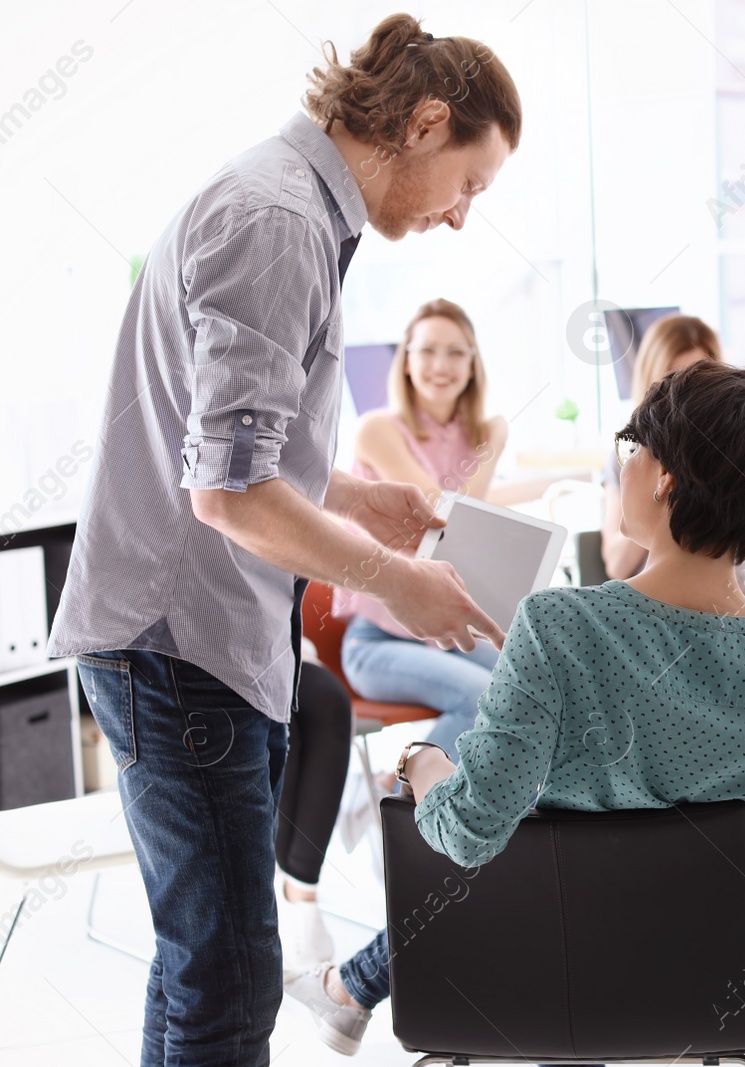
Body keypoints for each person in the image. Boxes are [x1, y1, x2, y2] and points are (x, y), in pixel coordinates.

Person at [46, 16, 518, 1064]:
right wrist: (401, 578)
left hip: (193, 640)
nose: (459, 218)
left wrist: (355, 497)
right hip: (179, 644)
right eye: (469, 183)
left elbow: (222, 448)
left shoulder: (289, 204)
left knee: (198, 965)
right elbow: (228, 496)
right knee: (232, 978)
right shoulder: (276, 221)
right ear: (426, 122)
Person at [286, 360, 745, 1056]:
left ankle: (347, 988)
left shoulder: (557, 626)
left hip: (537, 990)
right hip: (710, 997)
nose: (625, 466)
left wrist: (421, 761)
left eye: (632, 449)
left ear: (667, 477)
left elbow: (467, 830)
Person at [333, 298, 509, 760]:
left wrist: (488, 438)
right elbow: (448, 518)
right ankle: (407, 795)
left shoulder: (475, 433)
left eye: (456, 352)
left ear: (474, 364)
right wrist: (492, 442)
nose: (441, 364)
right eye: (427, 350)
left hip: (443, 634)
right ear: (406, 360)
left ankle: (482, 811)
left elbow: (478, 527)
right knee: (481, 698)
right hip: (376, 644)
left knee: (530, 687)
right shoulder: (377, 429)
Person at [599, 313, 745, 600]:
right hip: (658, 611)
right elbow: (617, 564)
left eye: (700, 378)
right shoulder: (629, 458)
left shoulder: (741, 451)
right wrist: (657, 497)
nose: (687, 395)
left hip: (738, 603)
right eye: (674, 379)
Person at [275, 662, 354, 976]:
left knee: (328, 697)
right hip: (204, 658)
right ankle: (277, 882)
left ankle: (301, 888)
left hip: (276, 648)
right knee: (278, 715)